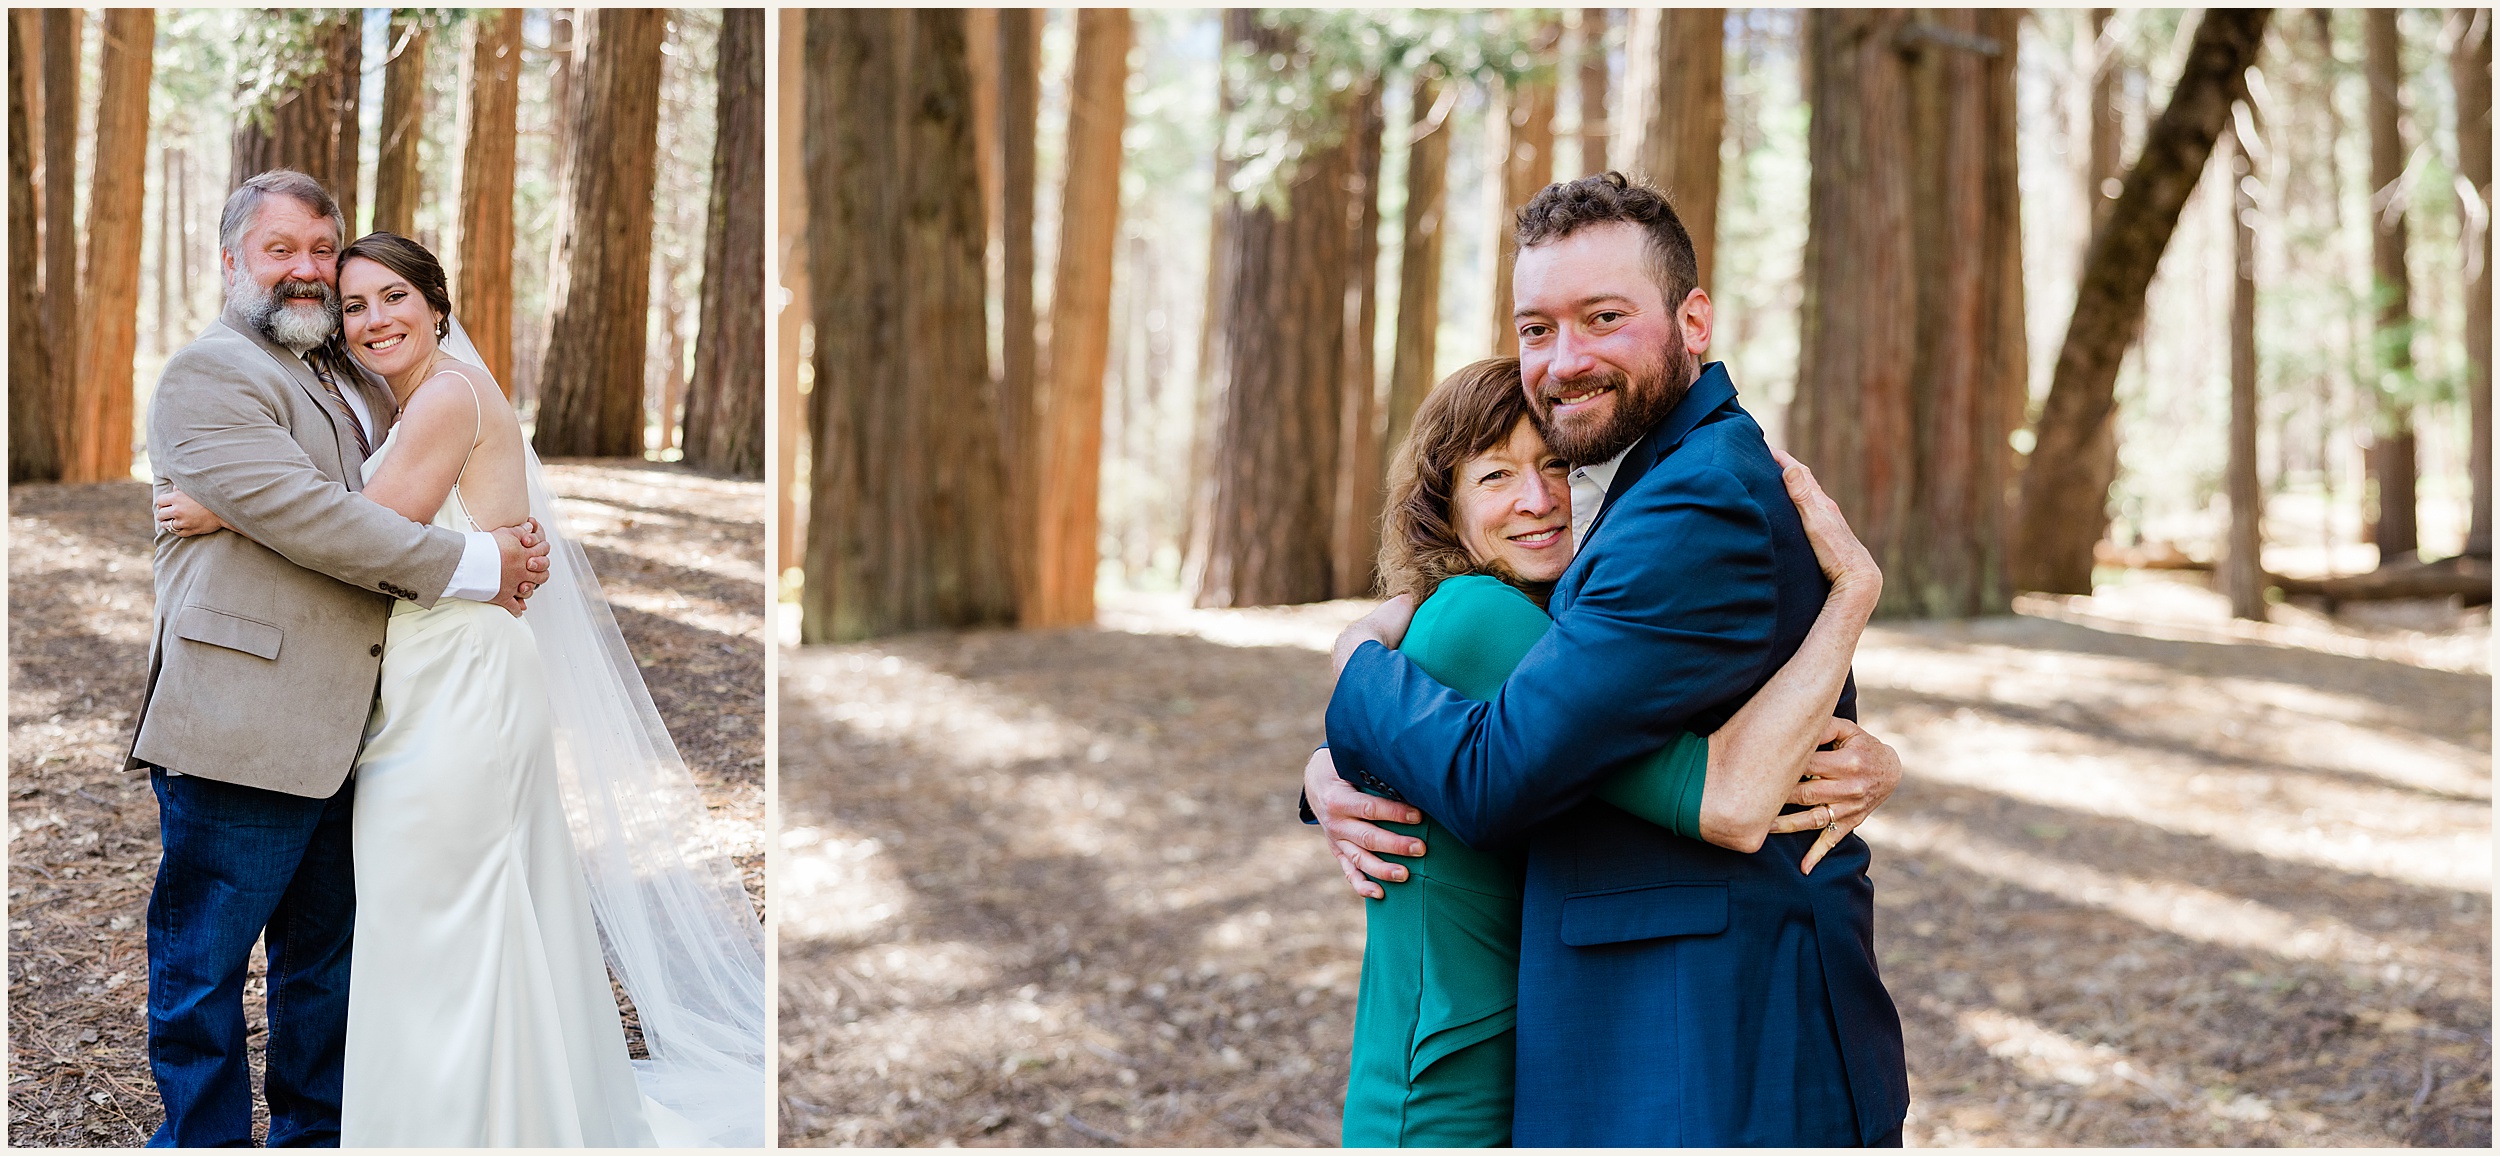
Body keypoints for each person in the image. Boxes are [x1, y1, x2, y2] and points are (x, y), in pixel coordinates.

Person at [147, 174, 764, 1146]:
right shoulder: (224, 374)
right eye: (346, 296)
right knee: (238, 963)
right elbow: (329, 514)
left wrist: (237, 503)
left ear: (439, 306)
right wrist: (471, 556)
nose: (358, 306)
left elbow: (349, 518)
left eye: (385, 290)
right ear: (233, 262)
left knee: (426, 924)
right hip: (304, 709)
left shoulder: (425, 393)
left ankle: (434, 1125)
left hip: (448, 687)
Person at [1310, 173, 1910, 1146]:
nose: (1565, 357)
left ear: (1692, 319)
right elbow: (1556, 707)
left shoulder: (1688, 500)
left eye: (1601, 316)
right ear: (1445, 502)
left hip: (1701, 1046)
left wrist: (1350, 672)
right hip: (1564, 1050)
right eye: (1536, 328)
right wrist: (1331, 759)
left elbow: (1531, 764)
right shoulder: (1640, 497)